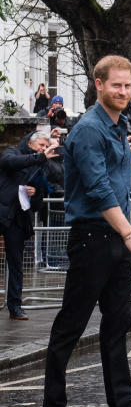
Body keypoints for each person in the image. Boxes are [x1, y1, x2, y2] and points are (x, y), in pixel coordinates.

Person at [40, 55, 131, 407]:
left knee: (118, 324)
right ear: (98, 85)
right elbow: (97, 190)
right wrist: (129, 233)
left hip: (116, 237)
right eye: (117, 85)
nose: (124, 92)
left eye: (128, 86)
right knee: (71, 325)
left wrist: (126, 234)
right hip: (93, 237)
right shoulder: (89, 130)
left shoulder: (119, 125)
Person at [0, 131, 58, 319]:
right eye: (41, 145)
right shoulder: (13, 152)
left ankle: (15, 306)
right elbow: (10, 163)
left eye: (45, 146)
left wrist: (35, 193)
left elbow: (38, 203)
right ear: (31, 144)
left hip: (18, 218)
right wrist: (38, 157)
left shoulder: (40, 167)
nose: (43, 149)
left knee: (16, 264)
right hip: (2, 212)